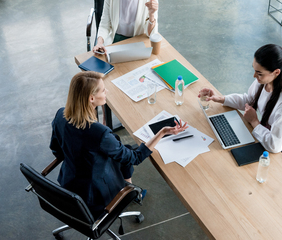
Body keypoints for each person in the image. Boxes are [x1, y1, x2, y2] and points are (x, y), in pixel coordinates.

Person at [50, 71, 188, 217]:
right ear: (91, 98)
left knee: (120, 149)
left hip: (69, 184)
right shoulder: (100, 133)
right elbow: (135, 157)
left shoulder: (61, 115)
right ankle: (128, 192)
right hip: (96, 198)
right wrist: (162, 132)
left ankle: (129, 188)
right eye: (103, 90)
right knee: (125, 153)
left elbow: (56, 150)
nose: (106, 91)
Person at [198, 44, 282, 163]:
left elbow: (275, 145)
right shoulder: (266, 80)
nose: (254, 76)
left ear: (276, 72)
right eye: (254, 70)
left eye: (259, 73)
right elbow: (248, 100)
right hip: (266, 132)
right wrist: (220, 99)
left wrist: (254, 122)